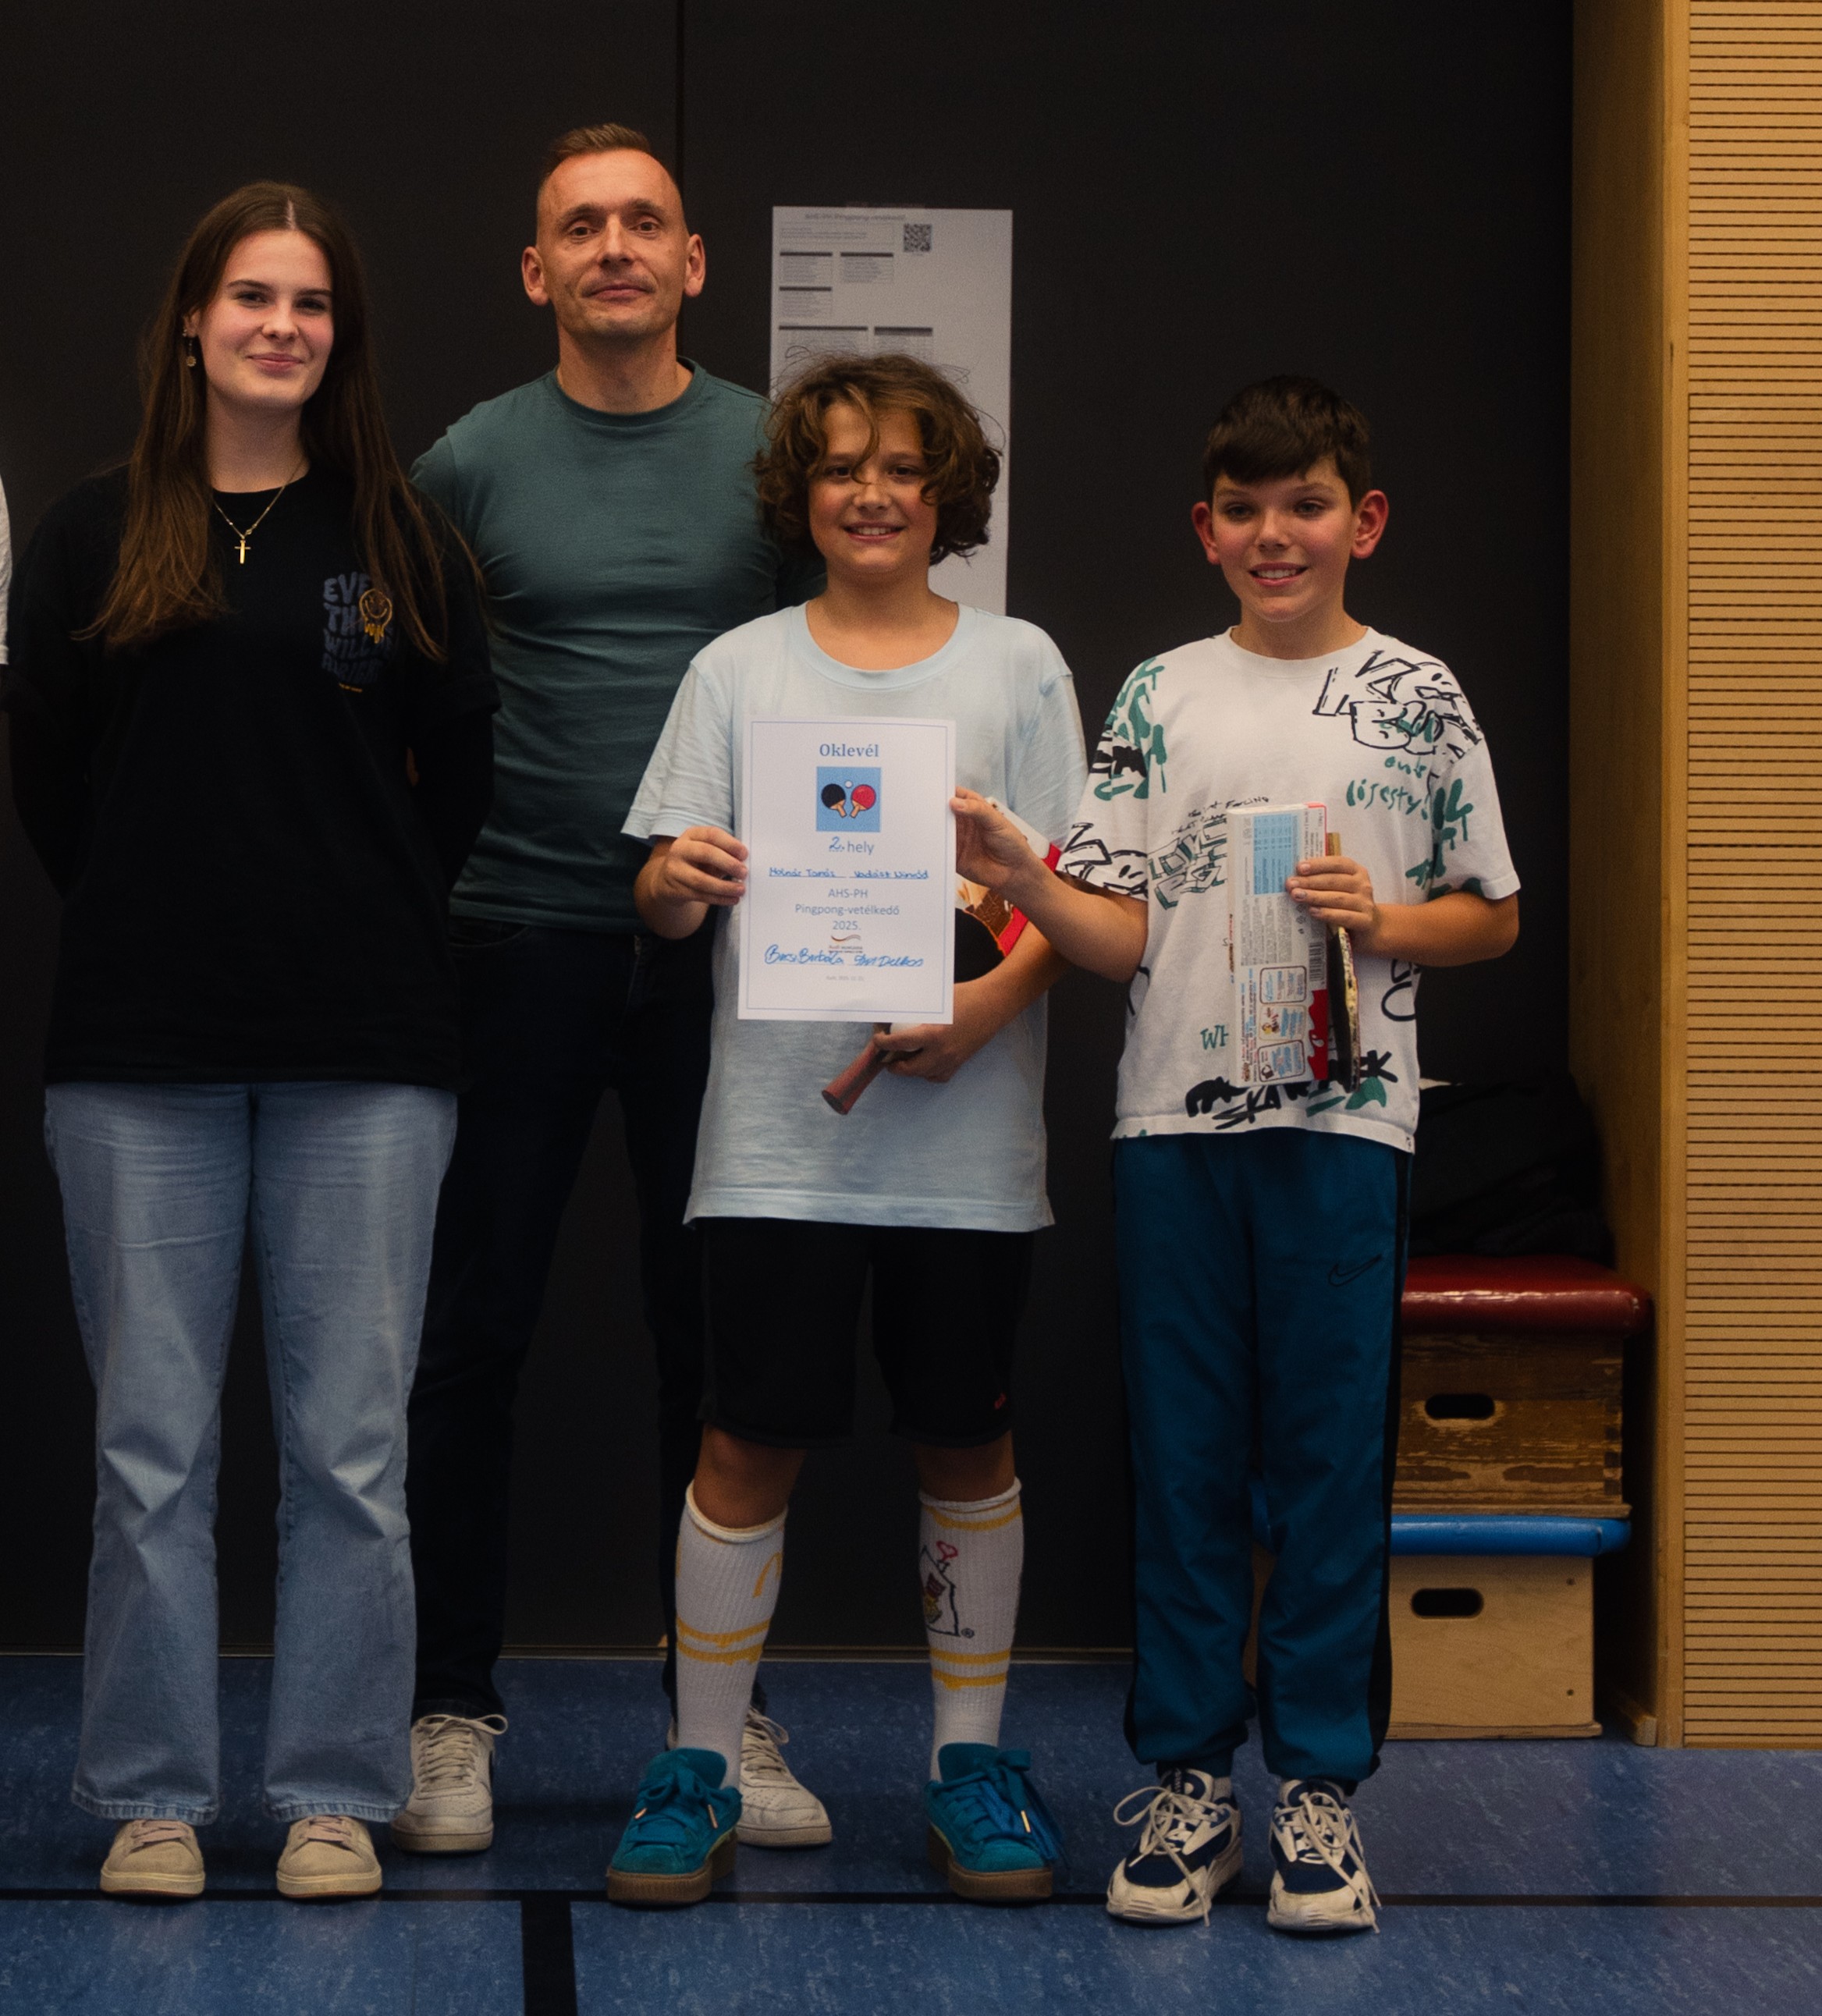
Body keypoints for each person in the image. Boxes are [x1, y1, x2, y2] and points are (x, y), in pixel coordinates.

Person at [950, 377, 1521, 1935]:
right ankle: (1190, 1781)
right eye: (1245, 510)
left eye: (1306, 505)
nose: (1277, 535)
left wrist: (1379, 921)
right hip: (1172, 1129)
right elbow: (1117, 931)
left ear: (1363, 520)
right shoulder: (1159, 693)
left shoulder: (1418, 693)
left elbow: (1491, 914)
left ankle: (1319, 1792)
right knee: (1187, 1458)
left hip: (1345, 1126)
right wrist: (1021, 875)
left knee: (1329, 1462)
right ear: (1204, 531)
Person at [2, 183, 496, 1903]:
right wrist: (168, 913)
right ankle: (151, 1790)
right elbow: (53, 786)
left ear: (339, 338)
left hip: (367, 1047)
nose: (282, 326)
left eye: (312, 303)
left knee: (350, 1452)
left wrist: (342, 909)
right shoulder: (91, 532)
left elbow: (458, 786)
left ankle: (331, 1791)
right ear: (194, 323)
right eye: (252, 296)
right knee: (150, 1450)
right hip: (138, 1050)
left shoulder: (404, 536)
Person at [392, 125, 827, 1859]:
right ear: (537, 271)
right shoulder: (468, 462)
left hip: (733, 954)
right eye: (581, 227)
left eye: (644, 222)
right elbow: (395, 699)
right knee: (471, 1330)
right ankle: (446, 1707)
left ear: (693, 261)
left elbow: (844, 672)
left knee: (710, 1338)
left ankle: (716, 1717)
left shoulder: (773, 455)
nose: (614, 247)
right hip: (514, 938)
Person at [612, 352, 1087, 1907]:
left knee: (967, 1438)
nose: (870, 493)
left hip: (967, 1149)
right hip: (776, 1145)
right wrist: (672, 881)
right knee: (744, 1441)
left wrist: (984, 1009)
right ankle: (697, 1763)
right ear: (795, 494)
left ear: (947, 491)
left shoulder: (1018, 665)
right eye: (836, 467)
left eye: (900, 466)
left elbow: (1074, 899)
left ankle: (971, 1763)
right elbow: (662, 897)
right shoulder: (736, 670)